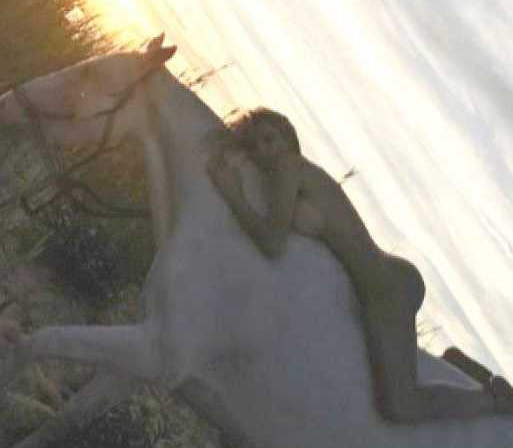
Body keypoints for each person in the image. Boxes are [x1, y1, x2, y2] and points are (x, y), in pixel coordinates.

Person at [207, 107, 513, 422]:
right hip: (383, 284)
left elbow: (272, 244)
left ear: (288, 139)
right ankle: (455, 364)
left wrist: (233, 194)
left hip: (386, 287)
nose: (263, 150)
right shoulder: (291, 178)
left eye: (270, 139)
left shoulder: (289, 167)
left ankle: (494, 398)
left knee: (400, 407)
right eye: (254, 145)